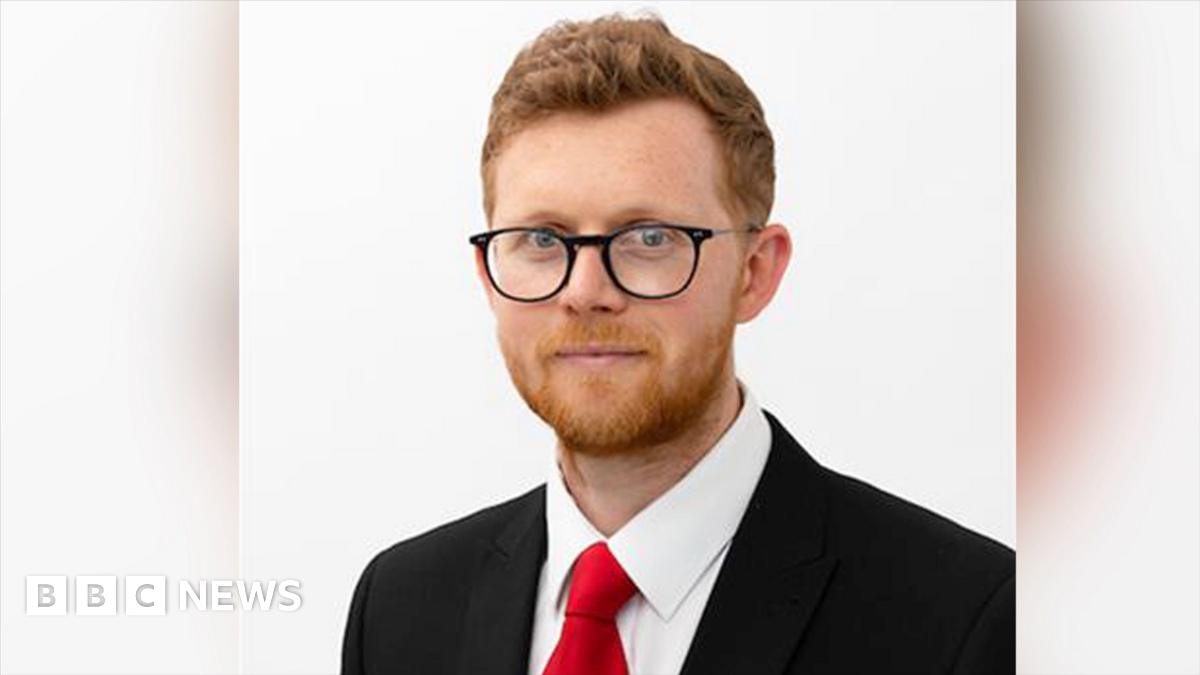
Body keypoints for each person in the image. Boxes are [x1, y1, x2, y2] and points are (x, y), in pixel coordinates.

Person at [341, 12, 1013, 675]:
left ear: (755, 272)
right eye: (542, 240)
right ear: (487, 276)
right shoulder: (400, 610)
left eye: (650, 238)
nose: (585, 289)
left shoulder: (965, 620)